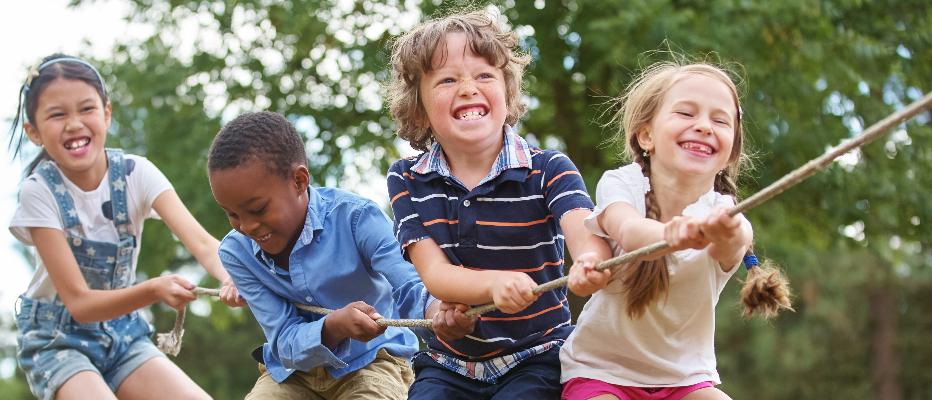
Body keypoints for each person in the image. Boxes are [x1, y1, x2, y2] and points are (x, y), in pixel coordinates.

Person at [385, 10, 612, 399]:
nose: (469, 88)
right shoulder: (406, 179)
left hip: (537, 355)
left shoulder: (548, 168)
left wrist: (591, 261)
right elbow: (435, 273)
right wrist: (494, 284)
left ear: (508, 94)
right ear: (420, 110)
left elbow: (584, 230)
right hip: (448, 364)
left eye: (484, 75)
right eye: (448, 80)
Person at [7, 54, 243, 400]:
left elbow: (204, 245)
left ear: (106, 113)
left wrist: (232, 277)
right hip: (58, 340)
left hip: (122, 334)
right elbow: (80, 303)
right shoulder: (38, 192)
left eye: (86, 109)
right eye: (57, 115)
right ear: (34, 132)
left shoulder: (137, 174)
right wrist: (152, 290)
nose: (74, 124)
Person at [560, 62, 792, 400]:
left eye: (719, 120)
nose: (703, 127)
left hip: (684, 379)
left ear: (730, 151)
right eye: (686, 113)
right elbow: (627, 229)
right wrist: (673, 234)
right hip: (601, 371)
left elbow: (737, 240)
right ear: (646, 135)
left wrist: (730, 229)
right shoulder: (621, 184)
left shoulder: (721, 211)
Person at [208, 111, 471, 399]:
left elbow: (409, 281)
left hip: (374, 362)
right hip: (291, 374)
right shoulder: (236, 253)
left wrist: (437, 313)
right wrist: (332, 327)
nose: (246, 226)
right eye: (232, 214)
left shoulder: (357, 218)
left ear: (299, 181)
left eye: (257, 209)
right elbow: (283, 340)